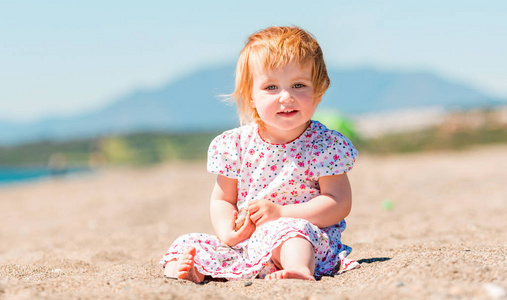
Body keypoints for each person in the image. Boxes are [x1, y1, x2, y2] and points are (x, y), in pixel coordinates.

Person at [160, 26, 359, 282]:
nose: (286, 97)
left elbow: (338, 203)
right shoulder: (235, 144)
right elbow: (223, 200)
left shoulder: (323, 145)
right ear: (250, 96)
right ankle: (186, 270)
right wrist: (228, 232)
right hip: (247, 246)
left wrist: (282, 213)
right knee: (187, 242)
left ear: (318, 92)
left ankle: (298, 270)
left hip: (307, 238)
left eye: (299, 85)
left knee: (291, 232)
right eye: (271, 87)